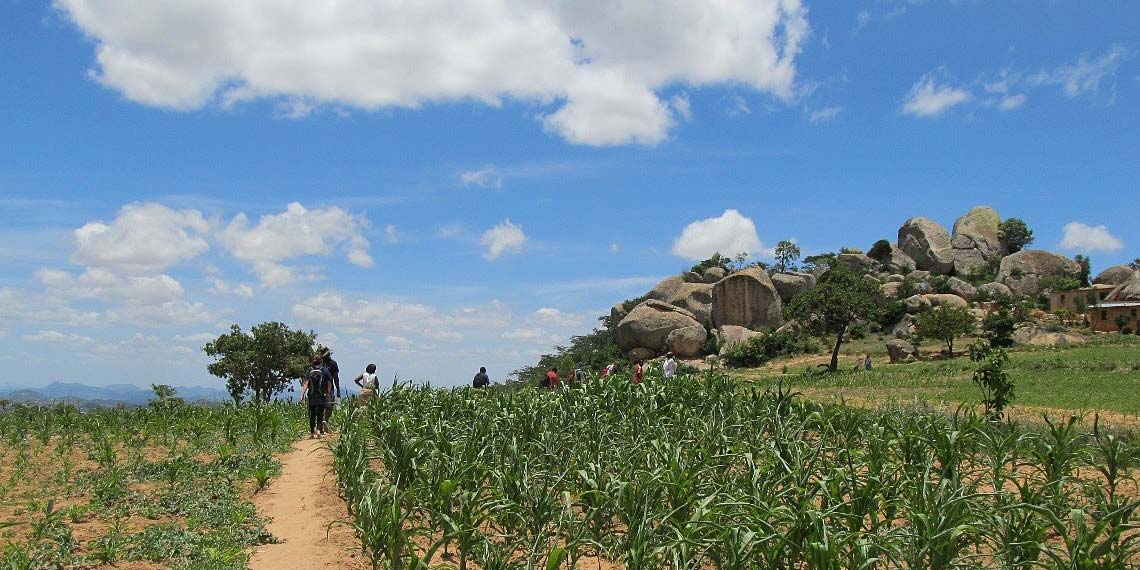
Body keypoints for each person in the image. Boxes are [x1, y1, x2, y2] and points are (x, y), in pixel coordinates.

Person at [301, 356, 333, 438]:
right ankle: (318, 430)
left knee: (312, 414)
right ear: (321, 361)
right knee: (320, 414)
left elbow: (306, 383)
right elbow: (329, 382)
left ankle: (312, 432)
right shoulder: (324, 370)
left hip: (311, 396)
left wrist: (302, 394)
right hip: (321, 395)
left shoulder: (310, 370)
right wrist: (329, 393)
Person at [319, 347, 341, 430]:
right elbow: (336, 377)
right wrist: (338, 389)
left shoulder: (319, 363)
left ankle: (322, 423)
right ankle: (325, 421)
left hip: (319, 389)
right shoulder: (332, 363)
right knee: (329, 406)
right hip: (329, 388)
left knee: (322, 406)